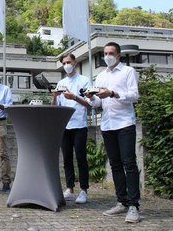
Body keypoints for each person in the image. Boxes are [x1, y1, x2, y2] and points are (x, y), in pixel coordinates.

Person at [84, 42, 141, 223]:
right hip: (107, 125)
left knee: (129, 163)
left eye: (111, 53)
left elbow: (134, 96)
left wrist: (113, 93)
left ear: (118, 55)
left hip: (124, 123)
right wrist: (91, 97)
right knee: (115, 164)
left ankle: (133, 206)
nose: (107, 56)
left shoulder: (128, 72)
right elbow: (98, 105)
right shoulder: (101, 76)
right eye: (105, 53)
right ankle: (121, 201)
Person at [52, 53, 91, 204]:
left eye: (69, 62)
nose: (67, 64)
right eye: (64, 63)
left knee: (81, 157)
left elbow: (90, 104)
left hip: (79, 124)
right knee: (67, 158)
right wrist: (55, 96)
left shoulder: (84, 80)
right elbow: (55, 108)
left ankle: (84, 190)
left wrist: (74, 97)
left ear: (75, 62)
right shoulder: (61, 82)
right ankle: (69, 188)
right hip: (65, 125)